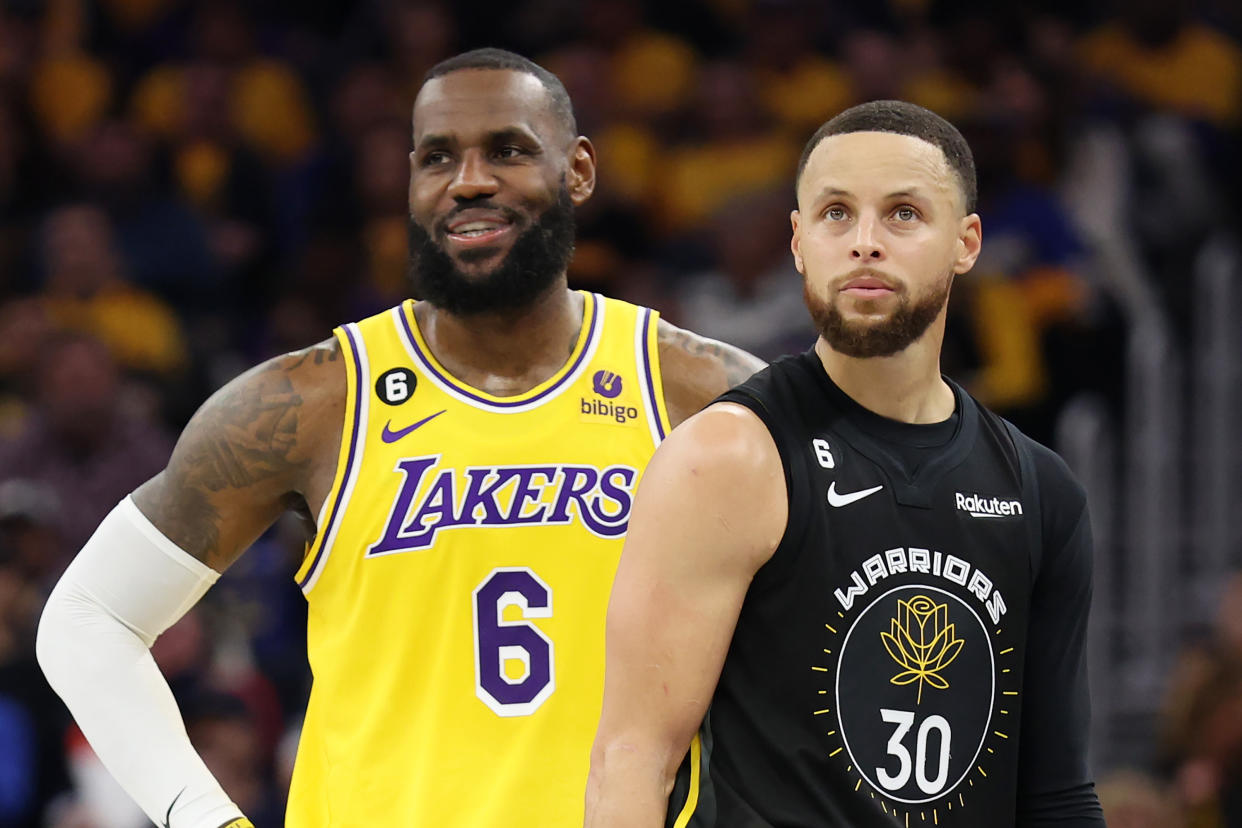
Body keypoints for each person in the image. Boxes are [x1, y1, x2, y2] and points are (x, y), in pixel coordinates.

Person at [36, 48, 763, 828]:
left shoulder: (701, 396)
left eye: (508, 150)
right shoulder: (313, 403)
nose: (469, 181)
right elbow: (86, 620)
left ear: (579, 170)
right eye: (437, 158)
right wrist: (203, 818)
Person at [585, 100, 1105, 827]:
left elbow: (1055, 795)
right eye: (835, 213)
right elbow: (633, 759)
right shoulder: (729, 455)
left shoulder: (1043, 491)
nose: (864, 242)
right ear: (798, 242)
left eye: (902, 214)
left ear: (967, 243)